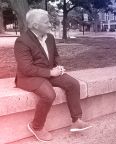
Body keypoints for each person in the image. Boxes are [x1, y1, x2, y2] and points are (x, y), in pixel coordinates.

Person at [14, 9, 91, 142]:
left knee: (73, 84)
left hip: (49, 72)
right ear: (35, 26)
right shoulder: (22, 41)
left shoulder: (49, 37)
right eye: (46, 22)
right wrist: (50, 73)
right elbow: (26, 69)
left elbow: (55, 55)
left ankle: (76, 120)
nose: (50, 24)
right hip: (28, 77)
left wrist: (58, 66)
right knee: (49, 95)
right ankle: (36, 126)